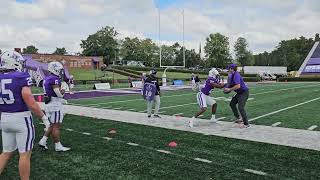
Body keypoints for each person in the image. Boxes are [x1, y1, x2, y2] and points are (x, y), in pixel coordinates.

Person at [0, 51, 50, 180]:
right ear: (14, 62)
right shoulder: (21, 76)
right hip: (21, 118)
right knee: (25, 154)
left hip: (4, 118)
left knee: (6, 152)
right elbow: (30, 101)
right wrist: (44, 118)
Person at [38, 62, 71, 151]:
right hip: (55, 104)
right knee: (56, 126)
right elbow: (59, 94)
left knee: (52, 125)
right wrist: (64, 88)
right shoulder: (54, 79)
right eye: (59, 70)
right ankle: (58, 146)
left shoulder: (47, 78)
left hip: (49, 104)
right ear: (55, 69)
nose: (61, 72)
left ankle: (43, 141)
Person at [224, 64, 250, 128]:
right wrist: (224, 88)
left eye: (229, 68)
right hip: (239, 92)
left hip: (244, 92)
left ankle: (246, 124)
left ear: (232, 69)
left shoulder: (236, 74)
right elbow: (228, 84)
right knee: (232, 103)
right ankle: (239, 118)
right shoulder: (230, 75)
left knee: (241, 107)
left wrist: (229, 89)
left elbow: (238, 86)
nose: (228, 70)